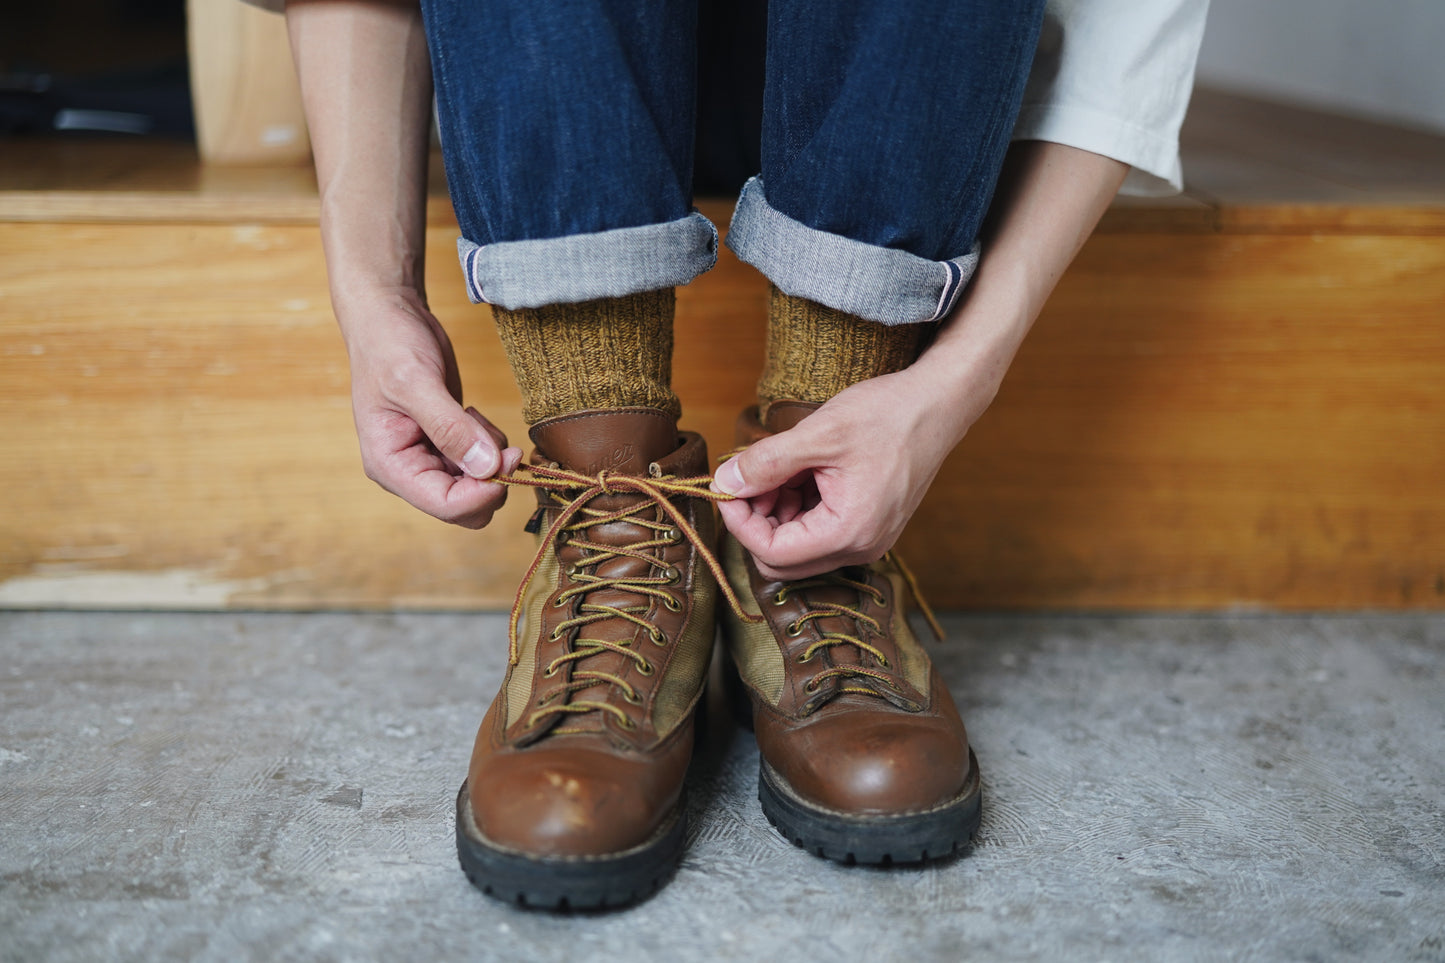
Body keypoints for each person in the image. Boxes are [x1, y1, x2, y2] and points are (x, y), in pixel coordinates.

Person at [279, 0, 1209, 909]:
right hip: (557, 86)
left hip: (886, 90)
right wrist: (371, 287)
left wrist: (962, 373)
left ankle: (809, 533)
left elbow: (1121, 28)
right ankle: (622, 533)